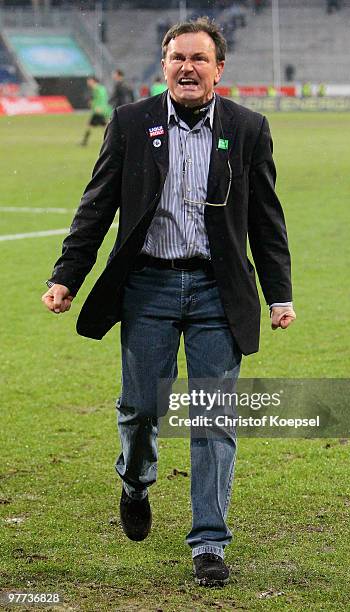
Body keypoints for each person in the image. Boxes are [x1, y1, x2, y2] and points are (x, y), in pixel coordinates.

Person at [42, 17, 295, 587]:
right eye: (178, 57)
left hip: (217, 291)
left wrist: (279, 293)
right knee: (139, 411)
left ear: (219, 69)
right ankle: (135, 482)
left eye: (199, 59)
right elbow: (97, 205)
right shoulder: (131, 123)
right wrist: (66, 276)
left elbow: (265, 218)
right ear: (164, 67)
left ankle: (209, 541)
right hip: (148, 289)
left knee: (213, 420)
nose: (188, 67)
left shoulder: (248, 128)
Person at [80, 76, 111, 147]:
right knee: (100, 126)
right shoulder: (101, 88)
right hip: (100, 110)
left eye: (89, 81)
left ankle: (109, 141)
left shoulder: (97, 89)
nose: (88, 82)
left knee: (101, 126)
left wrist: (98, 107)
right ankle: (85, 141)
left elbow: (101, 99)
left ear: (93, 81)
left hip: (99, 111)